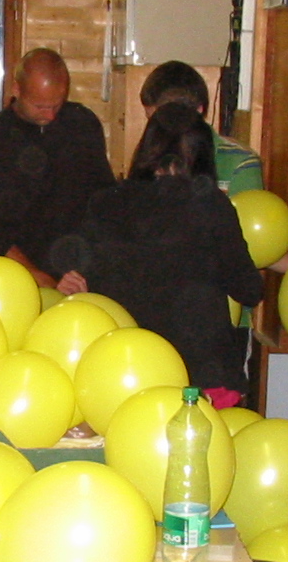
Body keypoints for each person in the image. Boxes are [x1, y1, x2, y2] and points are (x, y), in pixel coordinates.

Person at [54, 103, 262, 401]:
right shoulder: (211, 205)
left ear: (147, 149)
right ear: (204, 155)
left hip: (123, 372)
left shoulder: (106, 202)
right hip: (199, 375)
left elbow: (76, 281)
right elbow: (249, 289)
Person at [0, 48, 114, 287]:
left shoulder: (82, 124)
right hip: (16, 278)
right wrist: (37, 277)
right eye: (40, 106)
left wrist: (84, 271)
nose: (51, 115)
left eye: (57, 105)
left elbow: (103, 203)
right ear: (17, 90)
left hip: (78, 276)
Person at [139, 61, 264, 196]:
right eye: (152, 122)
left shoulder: (240, 162)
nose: (158, 131)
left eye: (168, 122)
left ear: (198, 110)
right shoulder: (150, 157)